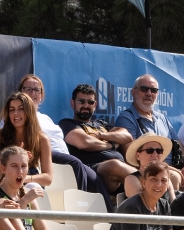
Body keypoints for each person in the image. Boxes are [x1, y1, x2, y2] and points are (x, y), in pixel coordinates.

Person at [17, 75, 114, 206]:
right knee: (76, 163)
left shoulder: (45, 118)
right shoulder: (18, 116)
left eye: (37, 90)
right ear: (21, 92)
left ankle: (109, 215)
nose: (33, 93)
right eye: (28, 89)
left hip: (64, 156)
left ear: (41, 95)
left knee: (94, 179)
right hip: (44, 155)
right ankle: (78, 207)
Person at [115, 73, 184, 191]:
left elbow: (180, 147)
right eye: (144, 89)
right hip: (151, 173)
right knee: (174, 177)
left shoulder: (162, 118)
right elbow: (131, 155)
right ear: (133, 92)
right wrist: (168, 169)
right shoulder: (126, 118)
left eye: (153, 90)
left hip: (172, 169)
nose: (149, 93)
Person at [59, 84, 134, 197]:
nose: (86, 105)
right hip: (93, 171)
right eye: (81, 101)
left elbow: (126, 136)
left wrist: (101, 135)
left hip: (120, 170)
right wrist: (112, 144)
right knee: (114, 165)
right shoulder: (67, 124)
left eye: (90, 102)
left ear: (95, 105)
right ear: (73, 103)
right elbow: (85, 143)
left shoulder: (101, 124)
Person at [0, 92, 54, 188]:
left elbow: (48, 178)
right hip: (4, 183)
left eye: (21, 109)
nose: (16, 113)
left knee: (32, 186)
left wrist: (21, 178)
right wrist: (14, 158)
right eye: (12, 109)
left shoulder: (42, 139)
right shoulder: (1, 136)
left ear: (29, 112)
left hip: (29, 183)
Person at [123, 134, 177, 201]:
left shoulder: (164, 177)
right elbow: (143, 204)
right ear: (138, 156)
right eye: (149, 150)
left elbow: (173, 202)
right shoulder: (131, 179)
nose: (155, 154)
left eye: (159, 151)